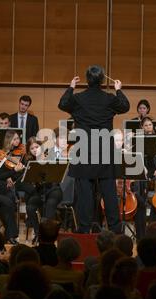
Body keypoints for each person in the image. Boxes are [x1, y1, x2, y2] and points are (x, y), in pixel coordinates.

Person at [58, 65, 130, 234]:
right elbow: (125, 106)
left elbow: (62, 104)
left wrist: (71, 87)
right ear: (103, 80)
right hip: (105, 150)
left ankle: (84, 230)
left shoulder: (78, 99)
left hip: (84, 150)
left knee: (85, 194)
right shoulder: (109, 98)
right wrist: (118, 90)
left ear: (87, 80)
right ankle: (115, 231)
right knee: (109, 193)